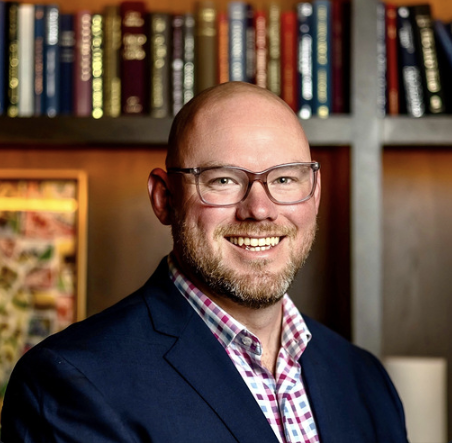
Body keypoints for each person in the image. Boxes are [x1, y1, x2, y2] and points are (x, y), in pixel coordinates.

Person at [1, 82, 408, 443]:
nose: (260, 209)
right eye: (223, 180)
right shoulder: (72, 382)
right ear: (164, 198)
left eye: (285, 179)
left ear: (314, 195)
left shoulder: (365, 380)